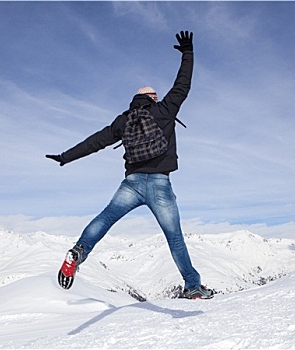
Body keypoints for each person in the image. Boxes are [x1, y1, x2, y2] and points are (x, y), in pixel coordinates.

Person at [46, 31, 213, 299]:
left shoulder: (123, 121)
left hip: (132, 184)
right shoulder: (164, 110)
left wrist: (65, 157)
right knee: (175, 238)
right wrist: (188, 53)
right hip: (160, 184)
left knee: (105, 218)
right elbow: (183, 85)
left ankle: (78, 252)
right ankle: (192, 286)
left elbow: (95, 142)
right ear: (154, 98)